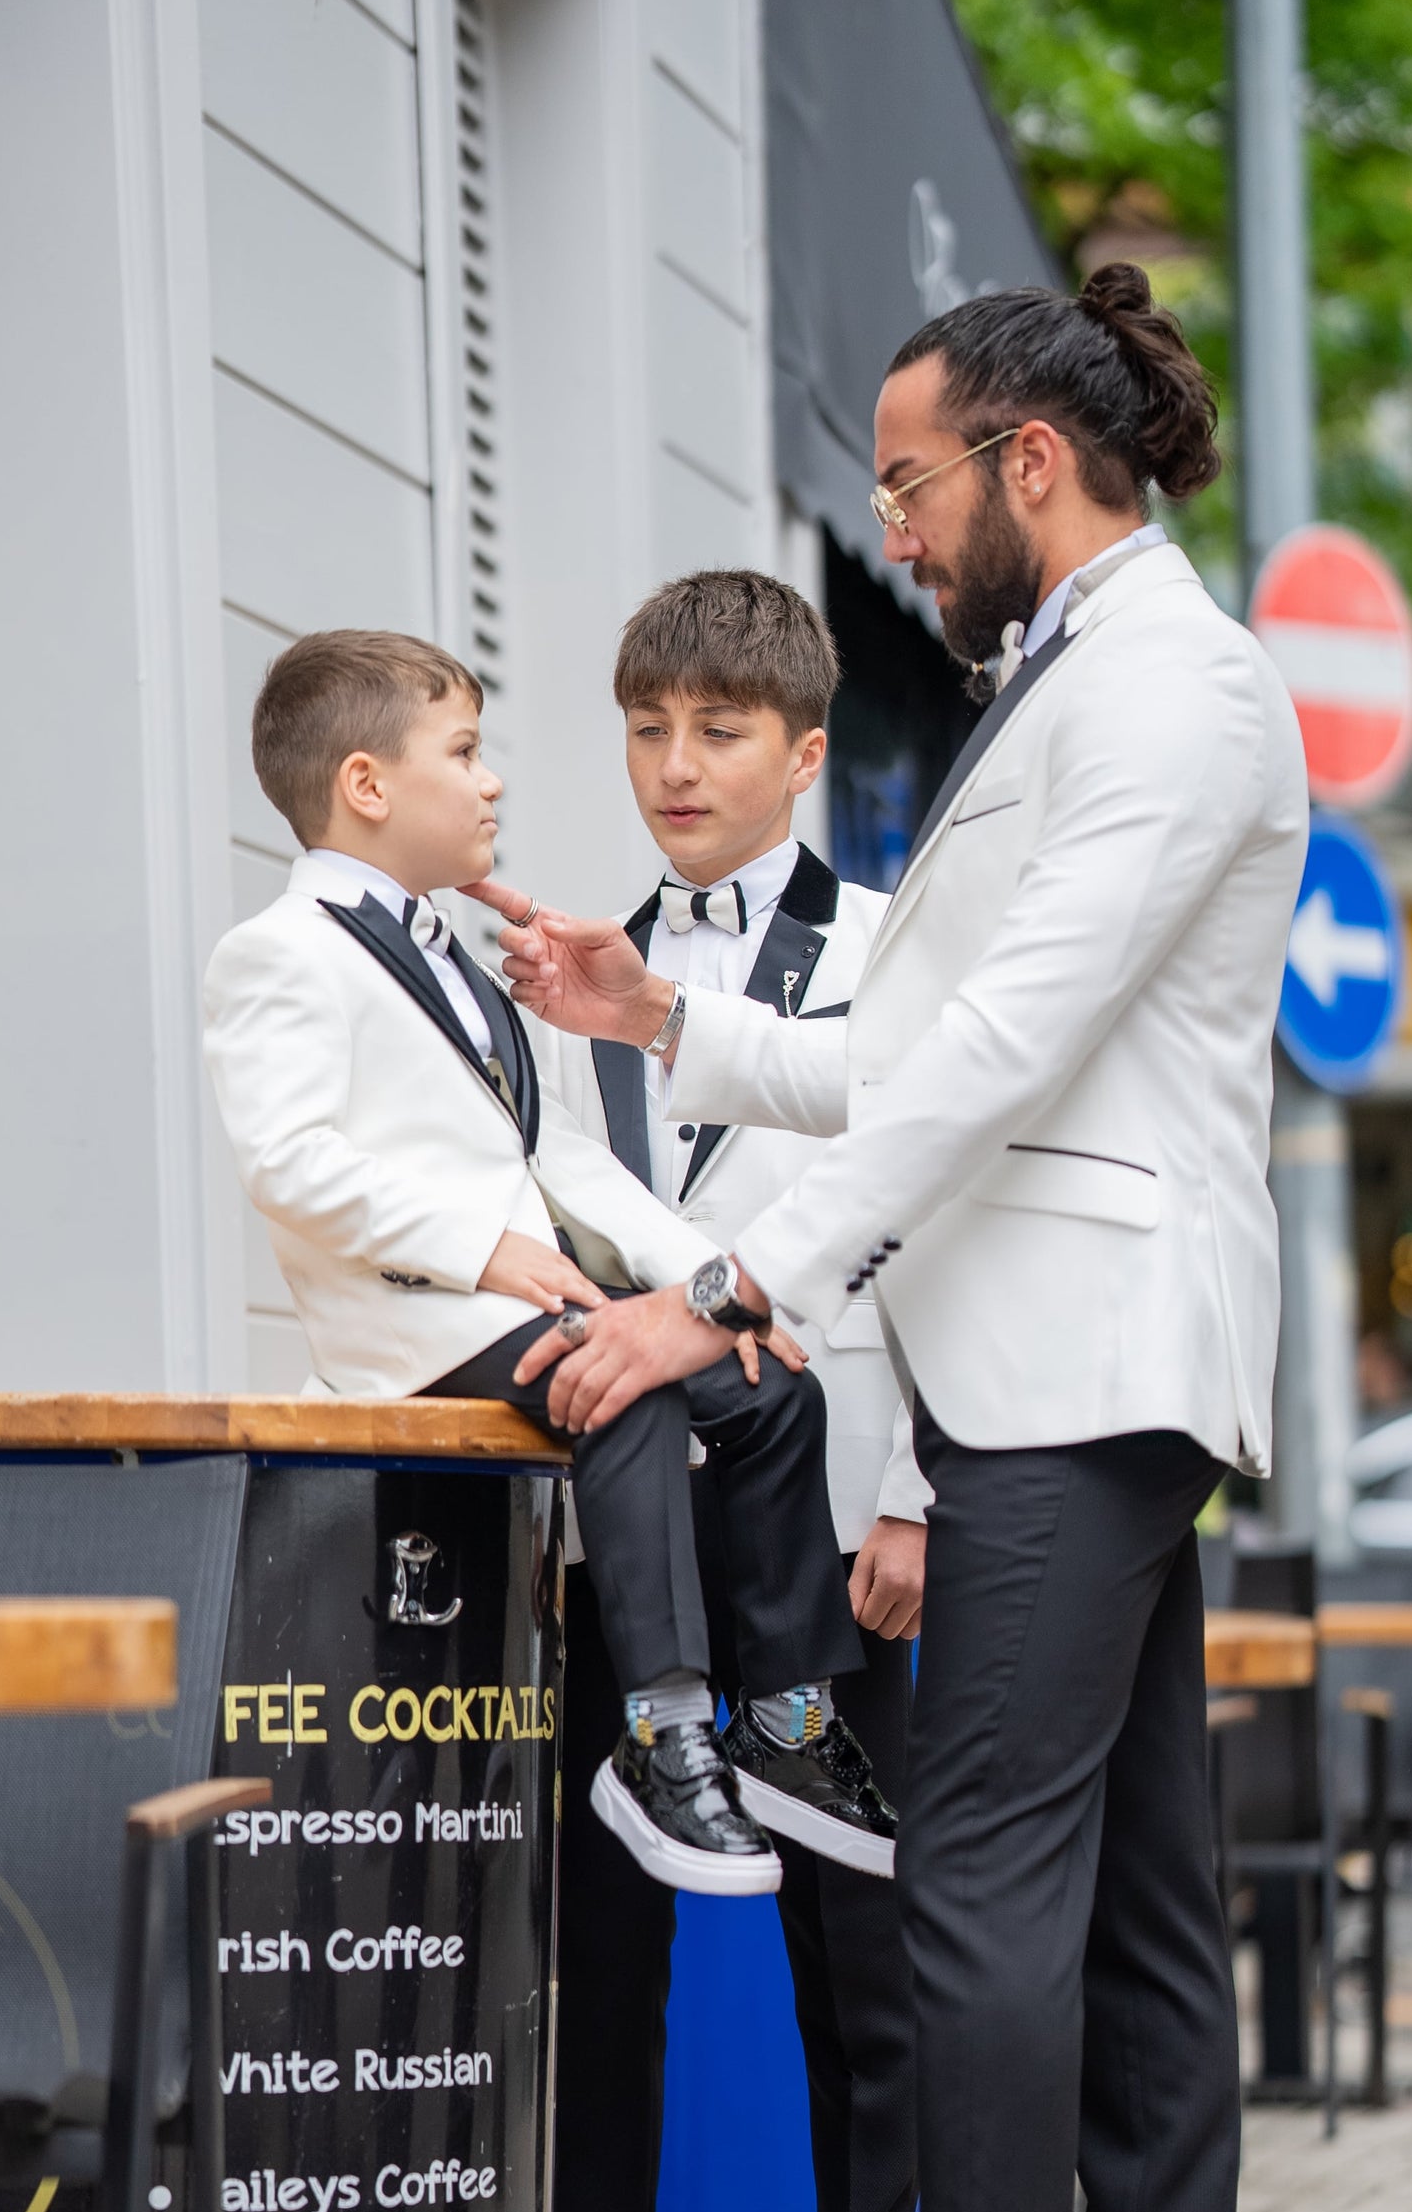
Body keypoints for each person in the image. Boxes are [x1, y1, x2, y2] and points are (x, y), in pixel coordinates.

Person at [497, 267, 1309, 2212]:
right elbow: (932, 1037)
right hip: (1077, 1363)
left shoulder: (1164, 688)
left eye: (913, 484)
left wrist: (725, 1293)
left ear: (1029, 469)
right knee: (1148, 1917)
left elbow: (1000, 1059)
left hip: (1075, 1369)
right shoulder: (1088, 681)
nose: (898, 527)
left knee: (974, 1902)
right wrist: (675, 1023)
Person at [201, 626, 895, 1901]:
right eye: (463, 753)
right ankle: (663, 1727)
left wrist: (720, 1289)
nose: (492, 782)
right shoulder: (278, 952)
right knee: (620, 1377)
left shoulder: (458, 956)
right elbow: (288, 1163)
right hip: (418, 1326)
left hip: (514, 1307)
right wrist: (489, 1247)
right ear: (367, 785)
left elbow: (562, 1153)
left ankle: (786, 1726)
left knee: (768, 1385)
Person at [503, 571, 925, 2212]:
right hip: (617, 1529)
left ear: (805, 751)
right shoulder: (561, 965)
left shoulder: (891, 948)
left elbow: (931, 1221)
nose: (676, 765)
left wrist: (914, 1485)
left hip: (831, 1534)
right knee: (598, 1959)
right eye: (648, 727)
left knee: (865, 1977)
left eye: (722, 730)